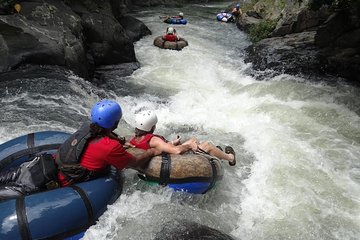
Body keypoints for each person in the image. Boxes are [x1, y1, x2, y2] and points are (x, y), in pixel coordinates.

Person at [0, 100, 161, 199]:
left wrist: (121, 142)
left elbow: (106, 138)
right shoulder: (110, 147)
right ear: (115, 124)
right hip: (39, 183)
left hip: (33, 167)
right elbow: (134, 162)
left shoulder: (88, 127)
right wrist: (152, 151)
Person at [128, 110, 236, 166]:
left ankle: (217, 154)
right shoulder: (154, 140)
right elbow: (177, 151)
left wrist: (172, 142)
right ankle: (230, 157)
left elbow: (158, 148)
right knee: (207, 146)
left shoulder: (134, 139)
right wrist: (189, 146)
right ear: (152, 127)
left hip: (164, 157)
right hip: (172, 160)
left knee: (193, 139)